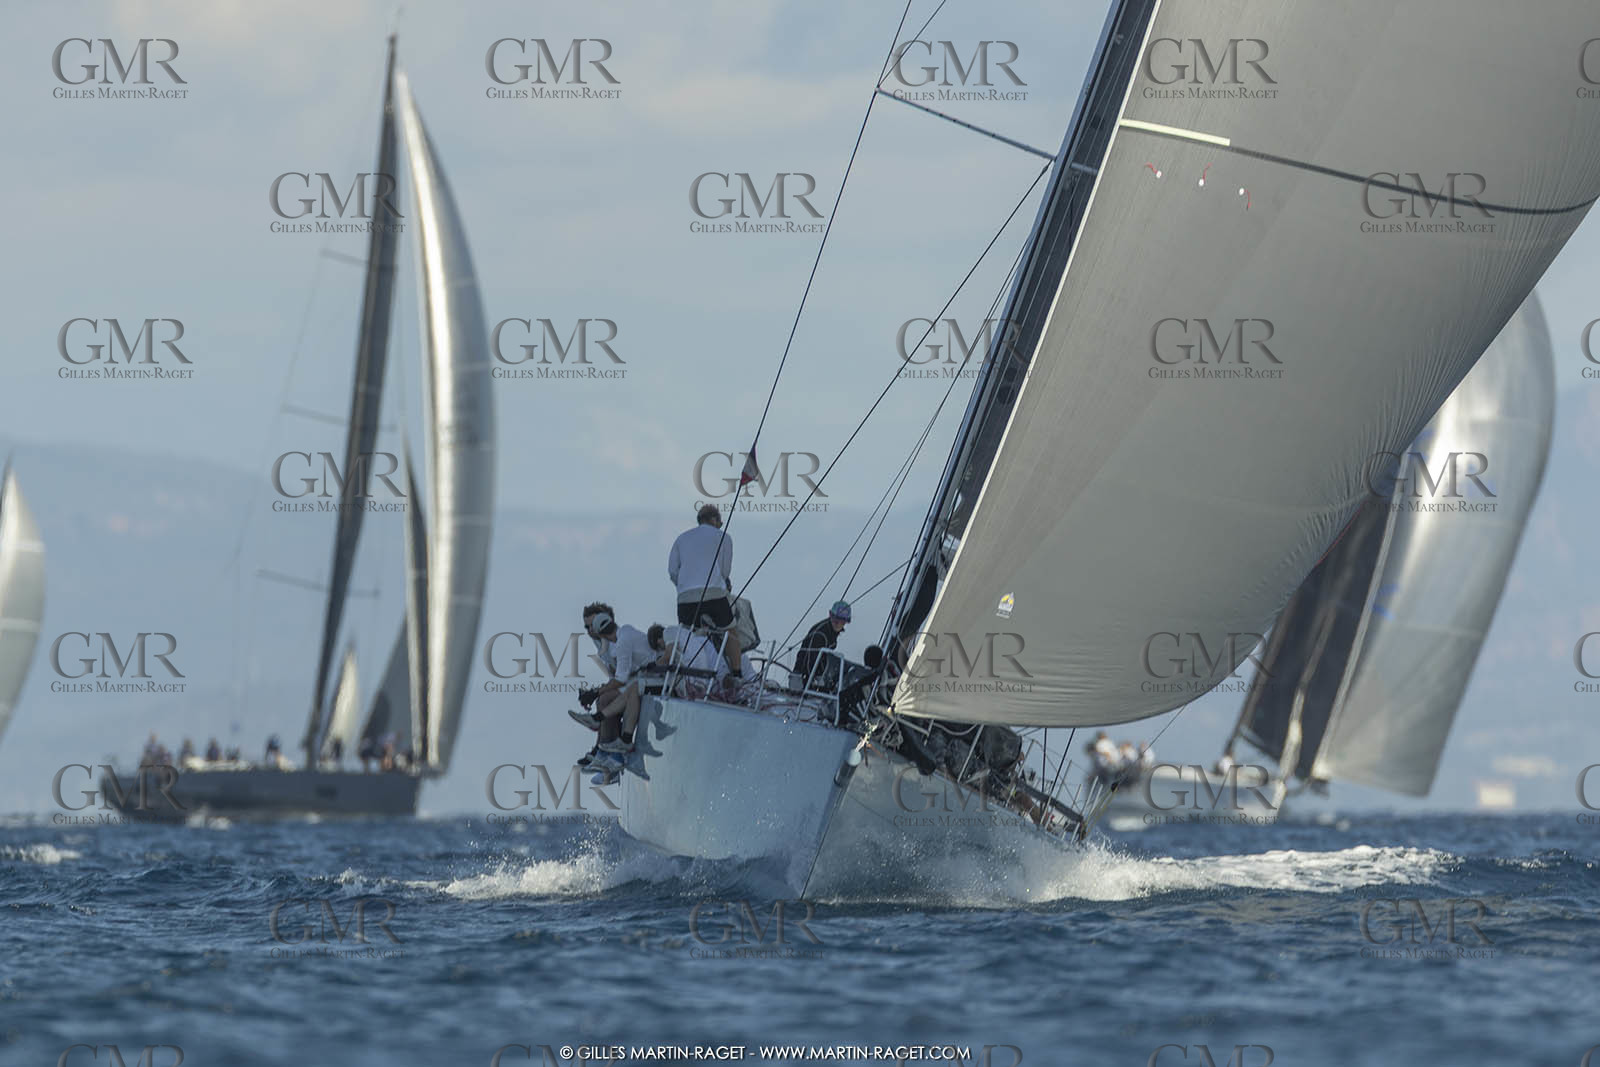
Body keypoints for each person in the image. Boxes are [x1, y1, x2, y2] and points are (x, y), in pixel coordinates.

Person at [579, 609, 653, 782]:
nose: (589, 631)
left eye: (591, 627)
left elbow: (620, 678)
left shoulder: (620, 642)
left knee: (605, 699)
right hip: (638, 680)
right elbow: (618, 677)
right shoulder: (615, 640)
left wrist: (595, 692)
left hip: (647, 680)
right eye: (586, 627)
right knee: (604, 699)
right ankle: (604, 753)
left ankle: (610, 756)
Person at [668, 505, 741, 676]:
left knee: (688, 637)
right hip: (714, 593)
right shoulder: (724, 537)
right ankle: (737, 674)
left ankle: (690, 677)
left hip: (685, 597)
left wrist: (684, 586)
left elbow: (672, 570)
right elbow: (724, 570)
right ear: (715, 520)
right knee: (730, 632)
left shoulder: (681, 538)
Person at [794, 601, 850, 691]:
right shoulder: (820, 634)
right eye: (836, 621)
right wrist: (818, 681)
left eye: (842, 622)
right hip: (803, 679)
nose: (839, 625)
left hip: (813, 678)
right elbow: (810, 662)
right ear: (830, 615)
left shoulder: (832, 632)